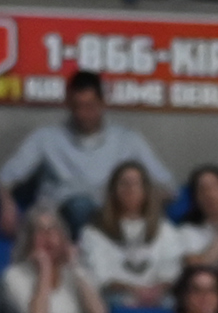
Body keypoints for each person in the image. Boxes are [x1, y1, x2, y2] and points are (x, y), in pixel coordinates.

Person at [0, 73, 167, 238]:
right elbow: (4, 179)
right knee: (78, 207)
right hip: (56, 222)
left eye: (89, 106)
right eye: (76, 106)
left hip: (108, 221)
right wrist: (7, 204)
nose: (82, 114)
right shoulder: (45, 138)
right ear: (68, 104)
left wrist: (141, 204)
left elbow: (167, 186)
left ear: (102, 103)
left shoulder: (127, 140)